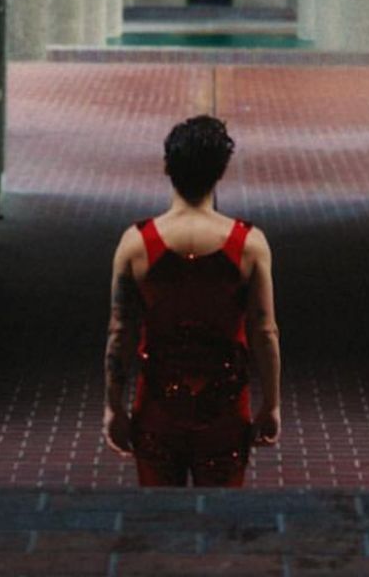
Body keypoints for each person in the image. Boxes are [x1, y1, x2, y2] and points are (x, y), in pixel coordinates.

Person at [103, 114, 281, 487]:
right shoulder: (248, 245)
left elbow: (120, 332)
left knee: (159, 516)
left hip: (157, 407)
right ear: (221, 173)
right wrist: (272, 404)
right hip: (226, 408)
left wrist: (113, 406)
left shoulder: (137, 245)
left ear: (167, 166)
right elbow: (264, 331)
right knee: (221, 516)